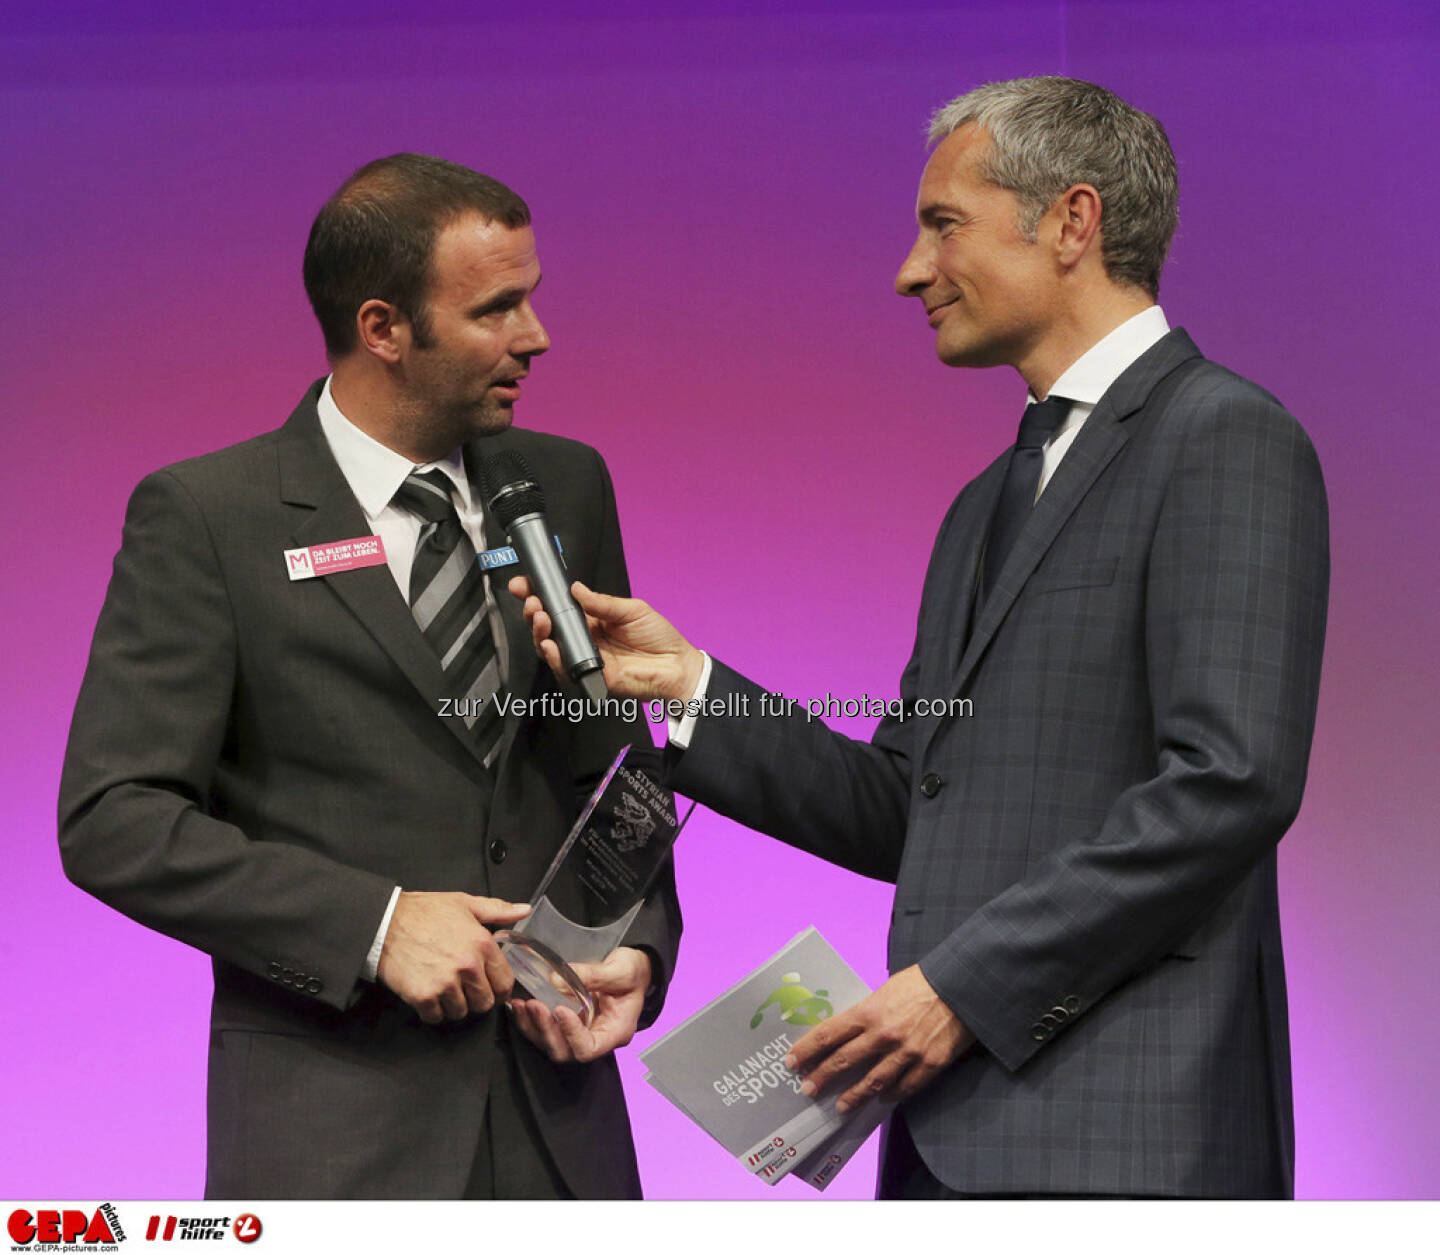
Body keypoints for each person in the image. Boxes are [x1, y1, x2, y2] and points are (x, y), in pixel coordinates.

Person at [517, 78, 1328, 1198]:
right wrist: (693, 683)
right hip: (950, 1140)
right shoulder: (987, 502)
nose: (910, 268)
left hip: (1134, 1146)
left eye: (943, 223)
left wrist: (960, 987)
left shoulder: (1226, 437)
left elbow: (1229, 783)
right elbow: (911, 803)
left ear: (1072, 222)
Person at [58, 153, 680, 1200]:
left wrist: (640, 949)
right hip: (336, 1134)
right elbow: (115, 817)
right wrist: (376, 922)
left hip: (560, 1126)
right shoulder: (212, 517)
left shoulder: (566, 483)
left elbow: (615, 769)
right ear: (384, 328)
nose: (536, 336)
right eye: (498, 308)